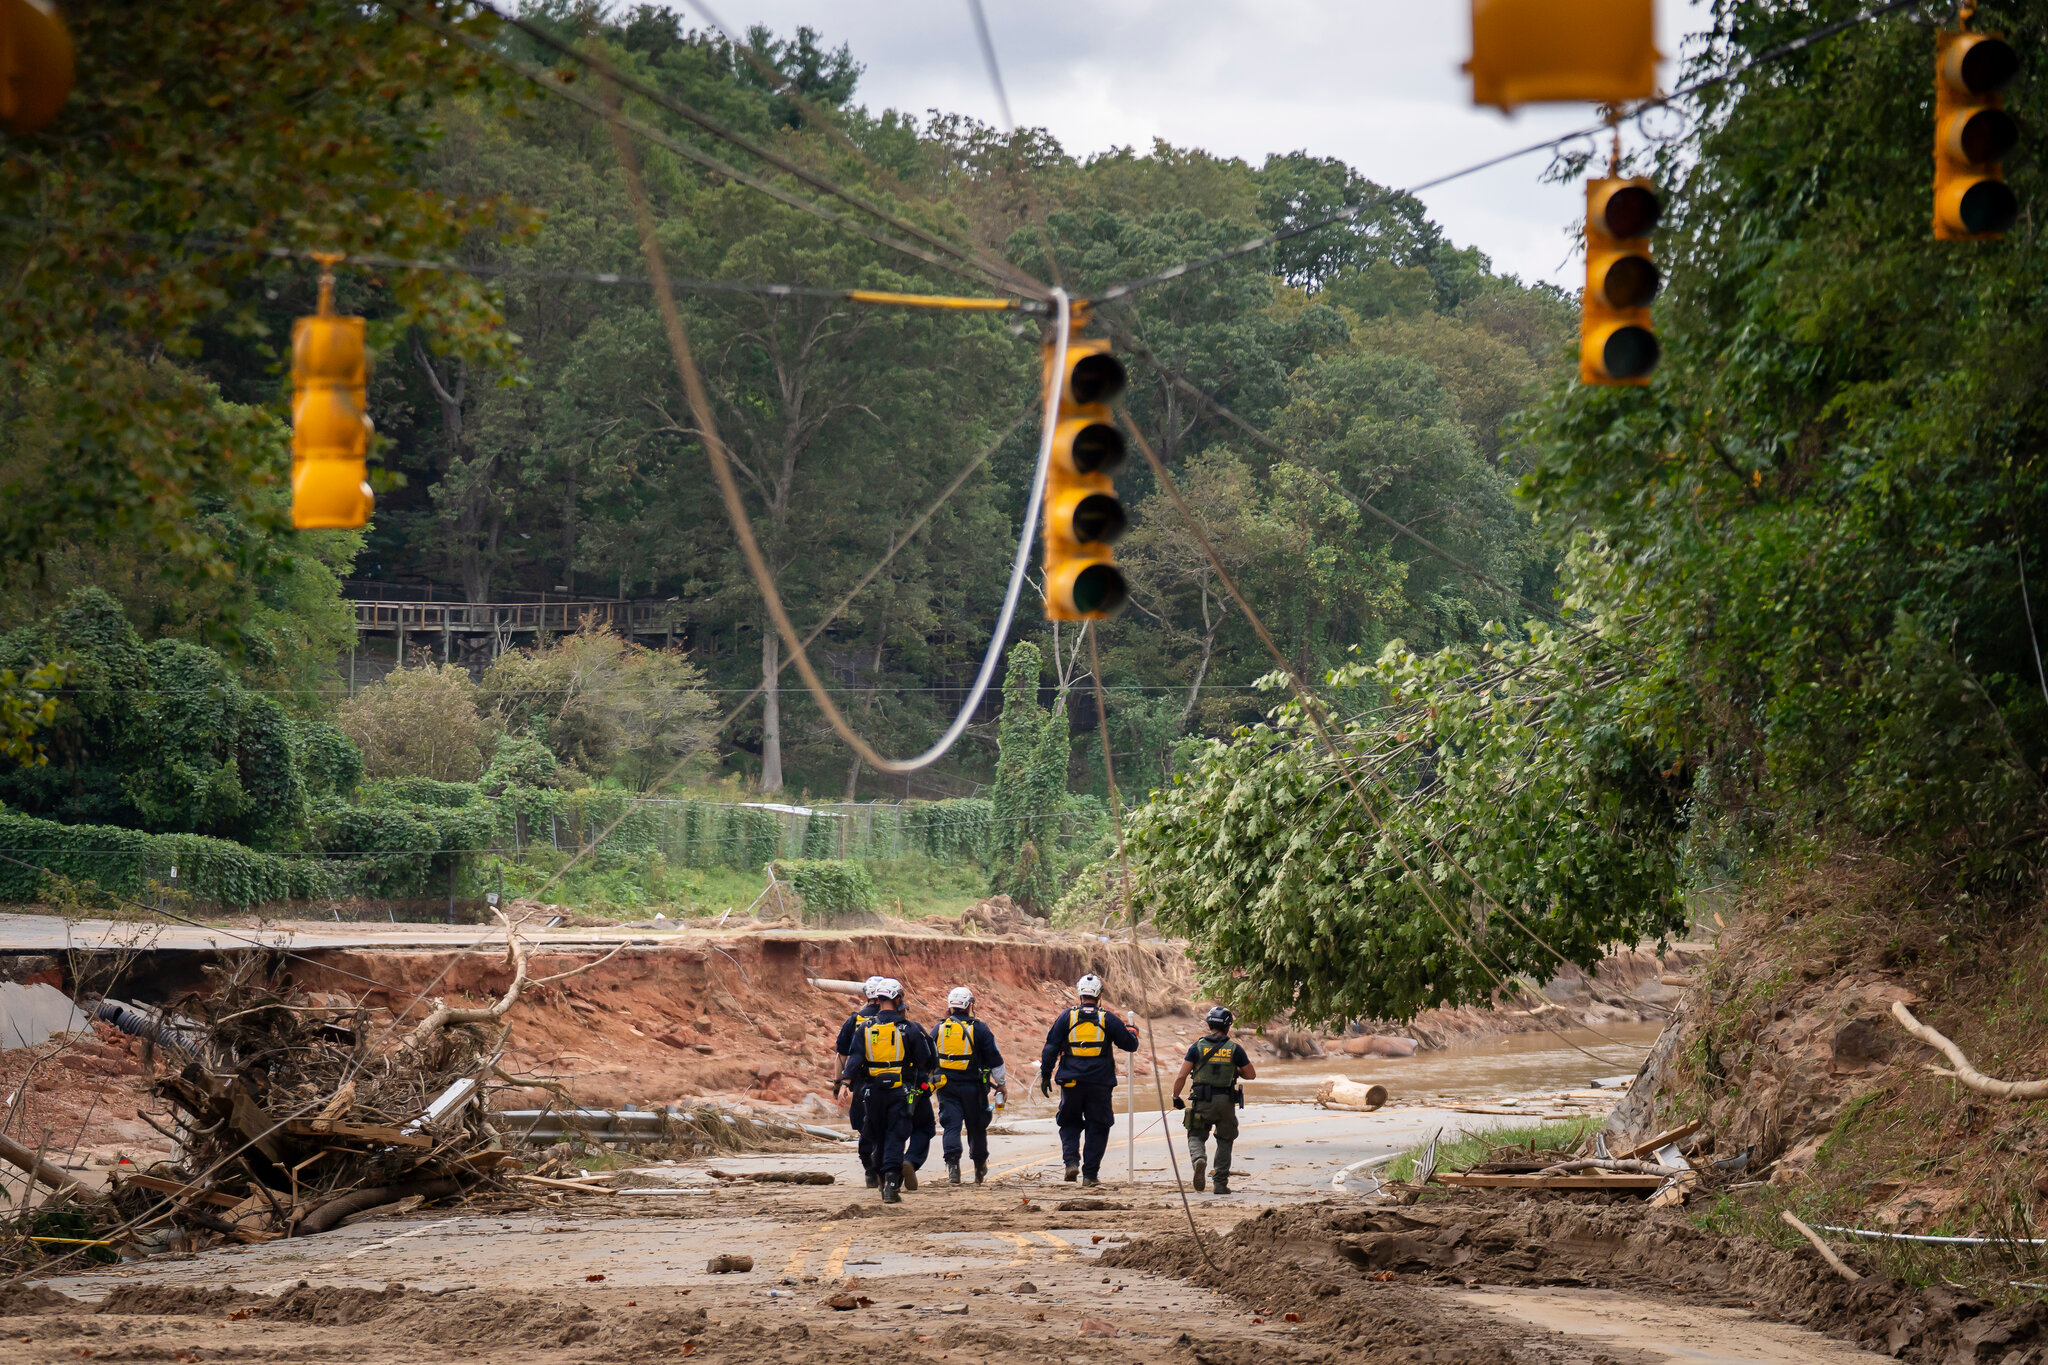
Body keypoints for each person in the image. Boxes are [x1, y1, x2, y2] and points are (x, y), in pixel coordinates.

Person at [1039, 973, 1138, 1187]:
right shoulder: (1108, 1018)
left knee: (1069, 1122)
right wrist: (1133, 1032)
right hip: (1100, 1083)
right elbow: (1130, 1045)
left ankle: (1071, 1162)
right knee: (1098, 1126)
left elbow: (1050, 1047)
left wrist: (1046, 1075)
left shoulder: (1067, 1017)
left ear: (1080, 994)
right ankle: (1090, 1175)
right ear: (1100, 995)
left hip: (1071, 1082)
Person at [845, 978, 934, 1204]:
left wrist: (845, 1085)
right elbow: (926, 1060)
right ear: (898, 999)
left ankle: (881, 1176)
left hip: (872, 1092)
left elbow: (854, 1059)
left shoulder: (864, 1028)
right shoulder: (910, 1028)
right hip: (900, 1091)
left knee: (878, 1136)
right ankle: (892, 1185)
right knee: (896, 1135)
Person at [1170, 1005, 1255, 1194]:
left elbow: (1181, 1076)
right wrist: (1236, 1069)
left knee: (1195, 1135)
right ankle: (1220, 1184)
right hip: (1225, 1102)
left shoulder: (1197, 1047)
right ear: (1228, 1026)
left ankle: (1199, 1159)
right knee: (1225, 1139)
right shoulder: (1235, 1049)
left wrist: (1175, 1097)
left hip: (1202, 1102)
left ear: (1209, 1024)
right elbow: (1251, 1074)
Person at [932, 985, 1005, 1185]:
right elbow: (995, 1059)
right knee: (977, 1127)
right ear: (969, 1005)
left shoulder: (939, 1028)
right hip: (975, 1089)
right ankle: (979, 1166)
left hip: (946, 1088)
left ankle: (953, 1167)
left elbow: (927, 1057)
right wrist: (1001, 1085)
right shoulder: (980, 1029)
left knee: (951, 1126)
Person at [833, 977, 888, 1188]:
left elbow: (841, 1055)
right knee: (887, 1125)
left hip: (859, 1083)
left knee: (864, 1125)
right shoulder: (896, 1019)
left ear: (866, 994)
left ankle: (869, 1167)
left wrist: (839, 1084)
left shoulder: (854, 1020)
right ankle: (883, 1163)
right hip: (890, 1082)